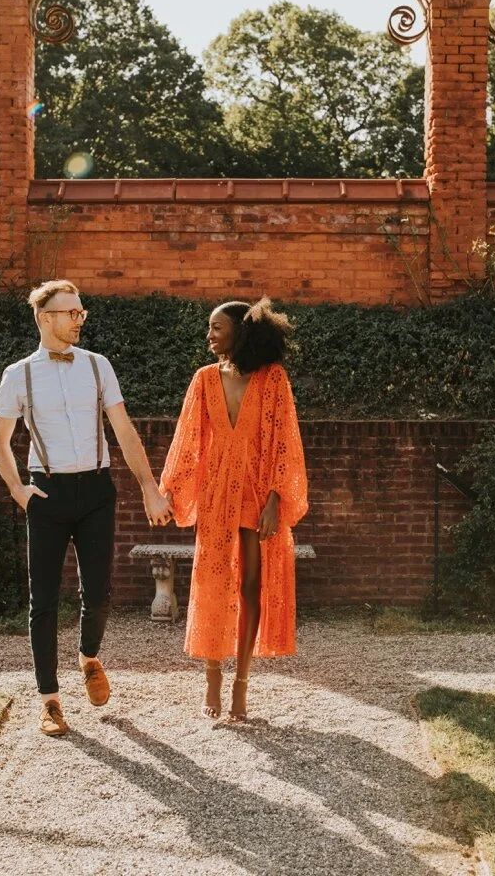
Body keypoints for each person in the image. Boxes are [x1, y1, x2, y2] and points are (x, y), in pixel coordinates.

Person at [0, 279, 172, 737]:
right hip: (46, 494)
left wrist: (149, 487)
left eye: (80, 312)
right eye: (71, 313)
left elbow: (125, 430)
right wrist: (17, 488)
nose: (79, 320)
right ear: (44, 318)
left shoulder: (97, 366)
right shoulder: (19, 375)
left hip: (95, 491)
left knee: (99, 592)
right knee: (44, 600)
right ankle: (49, 701)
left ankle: (89, 656)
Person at [159, 297, 308, 722]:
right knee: (212, 585)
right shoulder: (204, 380)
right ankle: (212, 677)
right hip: (217, 494)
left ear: (240, 332)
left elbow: (284, 442)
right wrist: (169, 492)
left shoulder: (273, 379)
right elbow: (187, 441)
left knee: (250, 587)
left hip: (258, 493)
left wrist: (276, 500)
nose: (209, 335)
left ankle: (241, 681)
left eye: (216, 327)